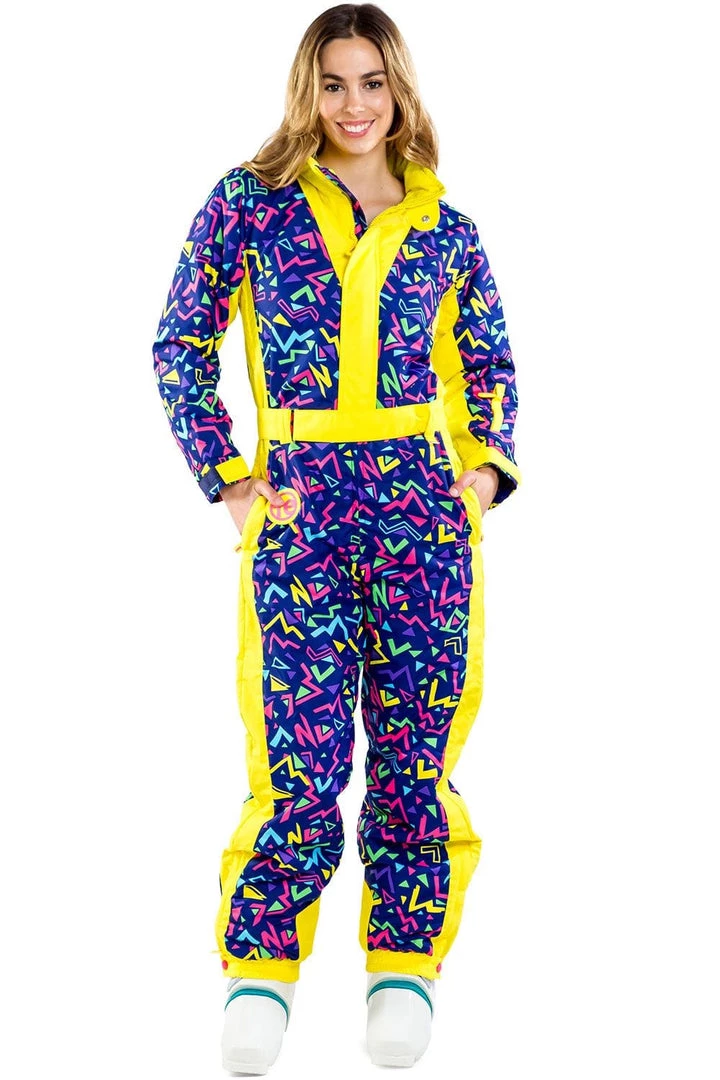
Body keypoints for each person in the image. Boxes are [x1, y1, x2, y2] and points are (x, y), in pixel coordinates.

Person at [152, 2, 521, 1072]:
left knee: (416, 752)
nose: (354, 105)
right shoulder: (251, 201)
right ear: (305, 91)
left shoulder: (444, 225)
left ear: (399, 89)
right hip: (300, 513)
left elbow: (489, 361)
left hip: (420, 511)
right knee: (297, 755)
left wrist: (484, 471)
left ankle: (404, 966)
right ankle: (260, 973)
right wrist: (227, 476)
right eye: (332, 83)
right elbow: (179, 339)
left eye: (372, 82)